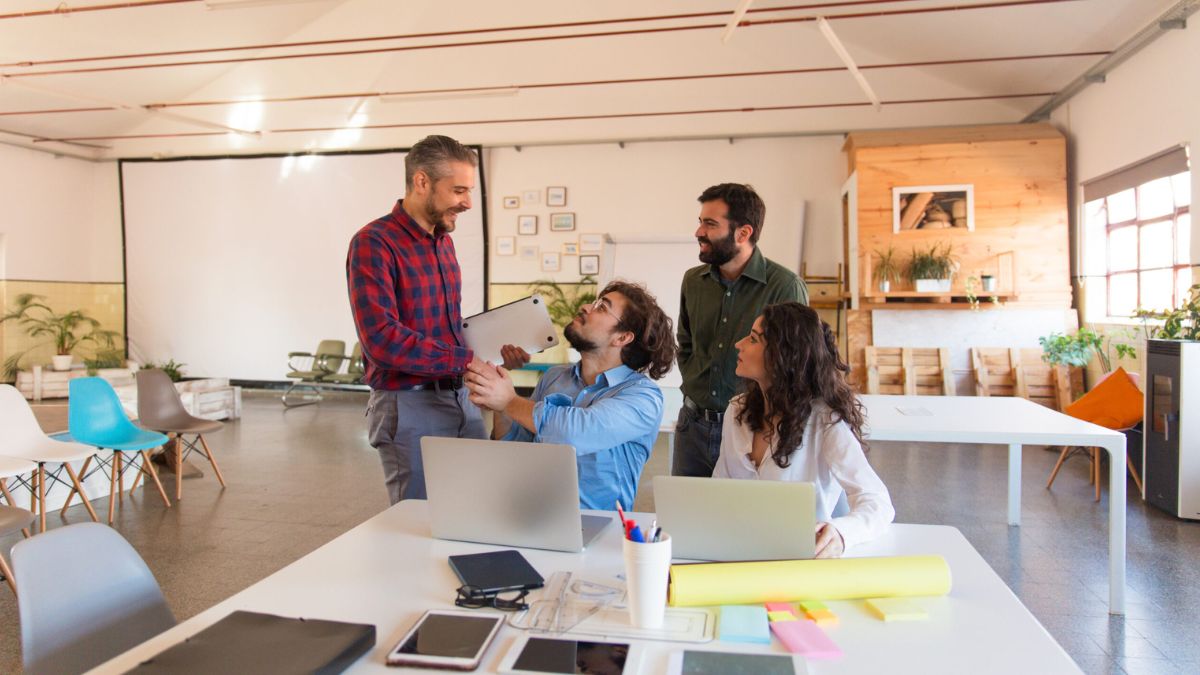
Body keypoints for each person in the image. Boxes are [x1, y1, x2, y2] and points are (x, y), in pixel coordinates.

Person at [346, 134, 527, 504]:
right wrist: (465, 360)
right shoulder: (374, 242)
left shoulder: (443, 241)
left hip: (461, 399)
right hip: (408, 406)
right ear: (422, 182)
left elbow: (445, 328)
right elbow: (381, 339)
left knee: (475, 510)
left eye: (470, 191)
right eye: (458, 190)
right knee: (418, 526)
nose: (467, 202)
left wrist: (490, 354)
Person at [464, 281, 676, 511]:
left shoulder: (643, 397)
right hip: (532, 515)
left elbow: (576, 432)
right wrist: (499, 404)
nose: (586, 307)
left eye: (602, 308)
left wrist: (509, 401)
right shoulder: (555, 377)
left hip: (601, 527)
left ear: (622, 338)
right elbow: (516, 448)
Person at [714, 302, 894, 557]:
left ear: (782, 356)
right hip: (738, 552)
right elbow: (719, 490)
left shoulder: (825, 422)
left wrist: (842, 533)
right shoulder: (736, 411)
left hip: (800, 560)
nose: (739, 344)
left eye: (753, 339)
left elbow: (878, 503)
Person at [673, 183, 808, 478]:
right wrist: (695, 382)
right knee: (684, 517)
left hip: (752, 429)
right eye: (700, 222)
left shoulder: (785, 286)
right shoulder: (693, 281)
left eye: (710, 224)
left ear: (743, 233)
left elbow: (796, 364)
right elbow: (686, 344)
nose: (699, 232)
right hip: (692, 425)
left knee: (740, 519)